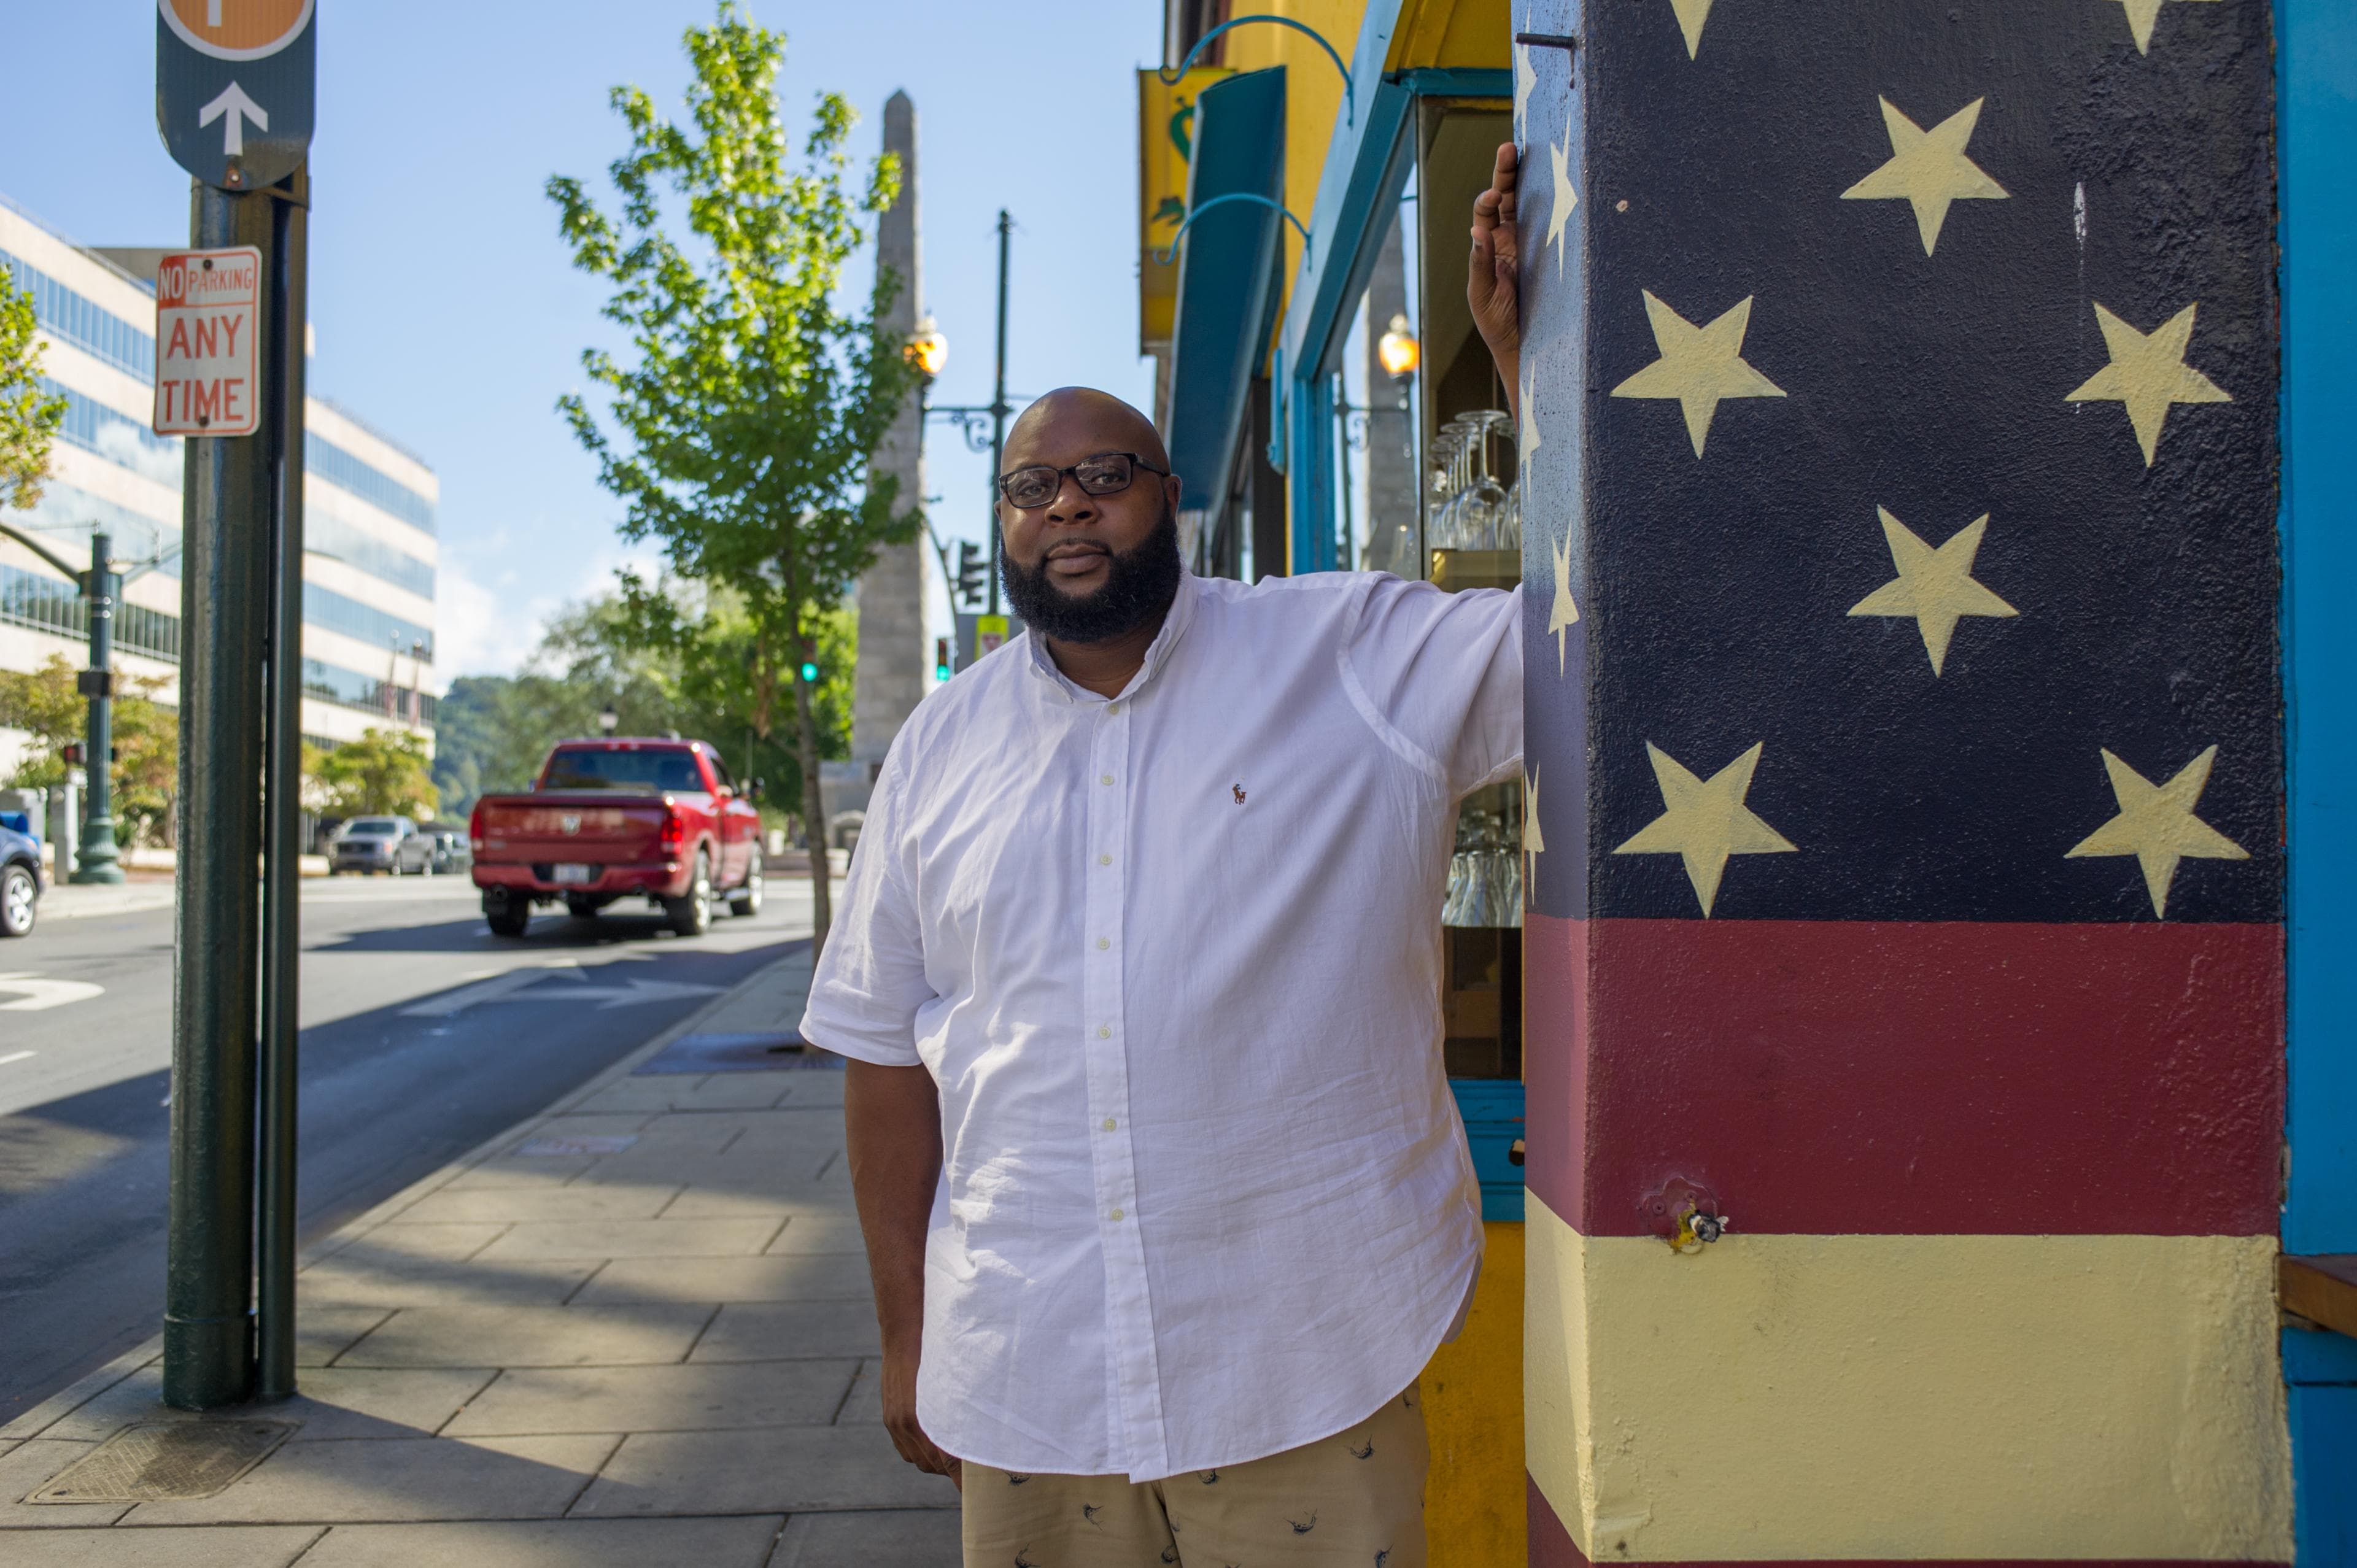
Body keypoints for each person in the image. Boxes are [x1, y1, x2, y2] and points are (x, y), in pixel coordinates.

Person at [802, 144, 1527, 1567]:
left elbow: (1593, 633)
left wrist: (1525, 373)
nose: (1066, 505)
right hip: (1025, 1372)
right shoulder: (938, 754)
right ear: (1002, 523)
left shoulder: (1348, 655)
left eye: (1104, 474)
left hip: (1305, 1356)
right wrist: (910, 1336)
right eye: (1030, 485)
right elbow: (886, 1057)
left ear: (1171, 498)